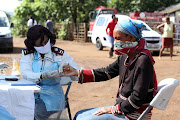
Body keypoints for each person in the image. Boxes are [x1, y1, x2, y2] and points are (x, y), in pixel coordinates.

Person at [62, 18, 158, 120]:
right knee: (79, 114)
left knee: (82, 119)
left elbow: (137, 99)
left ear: (131, 38)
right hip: (122, 110)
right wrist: (77, 73)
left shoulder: (143, 60)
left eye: (118, 39)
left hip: (133, 114)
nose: (115, 42)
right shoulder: (125, 56)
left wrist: (112, 109)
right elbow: (106, 72)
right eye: (114, 38)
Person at [20, 25, 79, 120]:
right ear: (33, 44)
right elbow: (26, 73)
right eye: (40, 44)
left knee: (38, 111)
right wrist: (42, 75)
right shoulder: (29, 54)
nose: (44, 46)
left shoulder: (59, 54)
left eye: (46, 42)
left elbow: (76, 72)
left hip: (52, 97)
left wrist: (70, 70)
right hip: (31, 95)